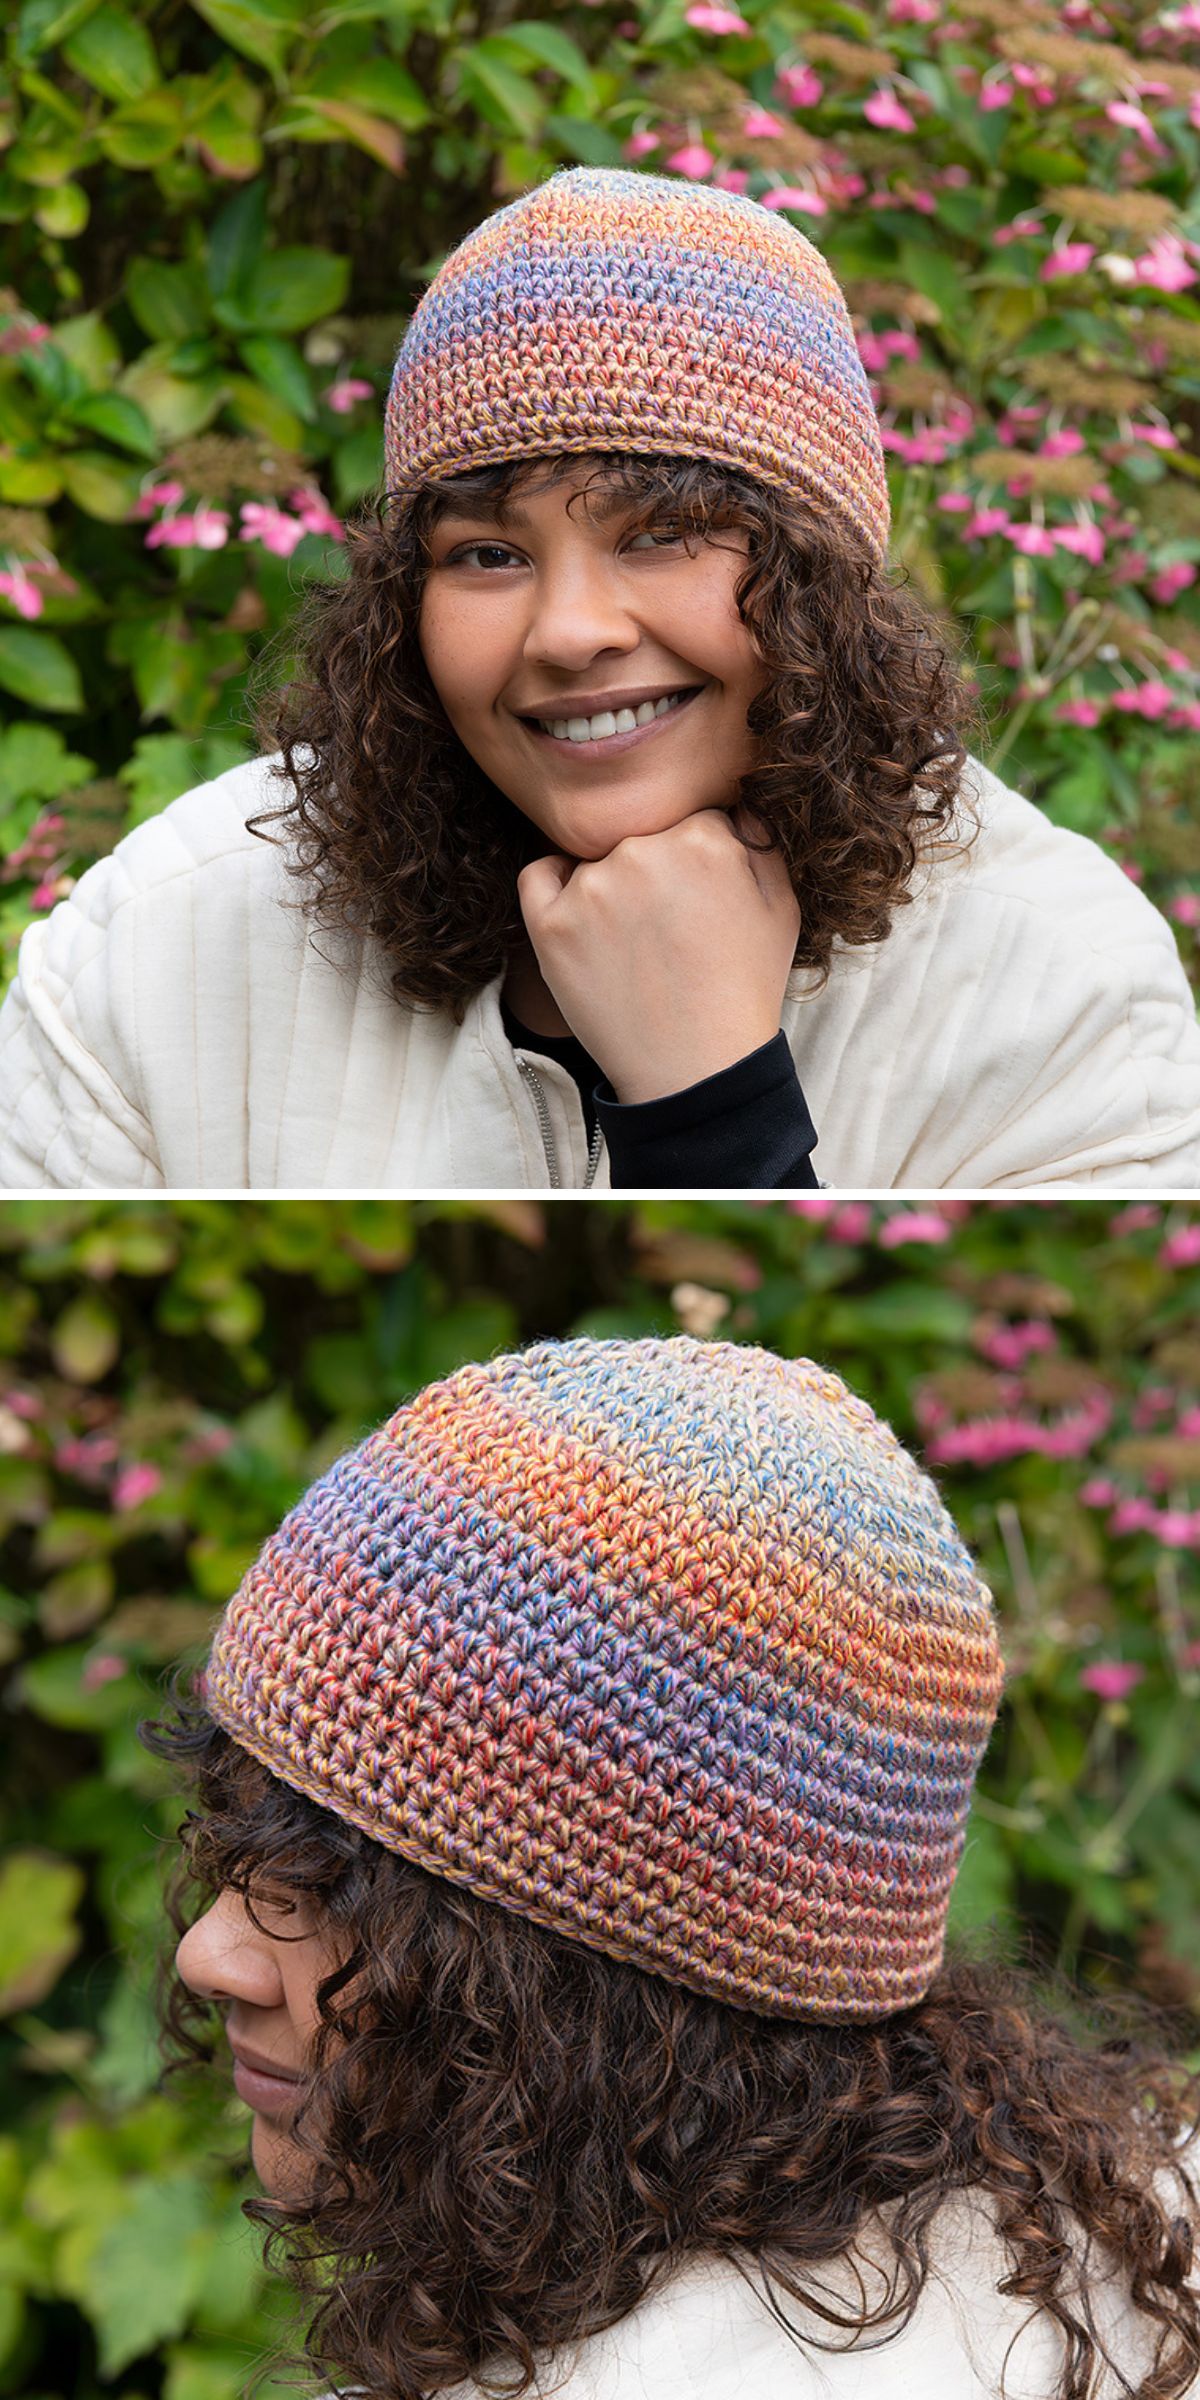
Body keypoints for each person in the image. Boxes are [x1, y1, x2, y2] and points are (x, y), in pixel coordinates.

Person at [4, 168, 1200, 1190]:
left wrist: (714, 1105)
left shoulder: (1061, 990)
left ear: (825, 582)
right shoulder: (160, 945)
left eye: (661, 533)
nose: (569, 631)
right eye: (487, 554)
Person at [139, 1334, 1200, 2400]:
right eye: (242, 1852)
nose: (207, 1953)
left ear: (602, 1981)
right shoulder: (1091, 2267)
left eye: (332, 1886)